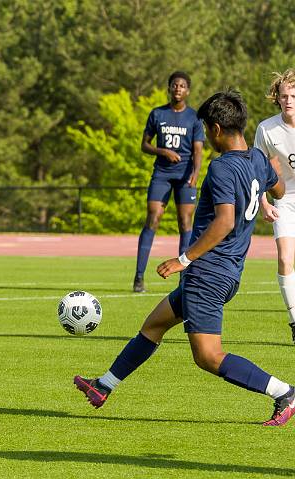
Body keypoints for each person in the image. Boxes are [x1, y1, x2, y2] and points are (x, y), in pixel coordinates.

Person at [75, 89, 295, 426]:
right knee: (154, 325)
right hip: (228, 272)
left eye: (207, 130)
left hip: (207, 273)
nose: (206, 136)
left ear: (217, 129)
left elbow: (223, 221)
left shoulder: (222, 168)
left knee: (208, 356)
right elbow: (278, 190)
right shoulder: (256, 159)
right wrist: (272, 171)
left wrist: (184, 259)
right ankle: (103, 386)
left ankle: (285, 392)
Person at [134, 71, 205, 293]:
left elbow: (198, 150)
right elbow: (144, 145)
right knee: (153, 218)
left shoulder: (194, 118)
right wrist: (162, 151)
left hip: (185, 176)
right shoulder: (157, 114)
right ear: (169, 88)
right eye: (174, 85)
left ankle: (184, 277)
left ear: (188, 91)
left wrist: (195, 172)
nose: (178, 88)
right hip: (162, 174)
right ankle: (138, 277)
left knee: (185, 222)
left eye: (182, 86)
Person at [255, 68, 295, 343]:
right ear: (277, 99)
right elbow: (257, 171)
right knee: (284, 259)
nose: (289, 100)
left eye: (293, 95)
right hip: (286, 200)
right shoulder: (266, 129)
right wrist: (263, 203)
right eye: (284, 96)